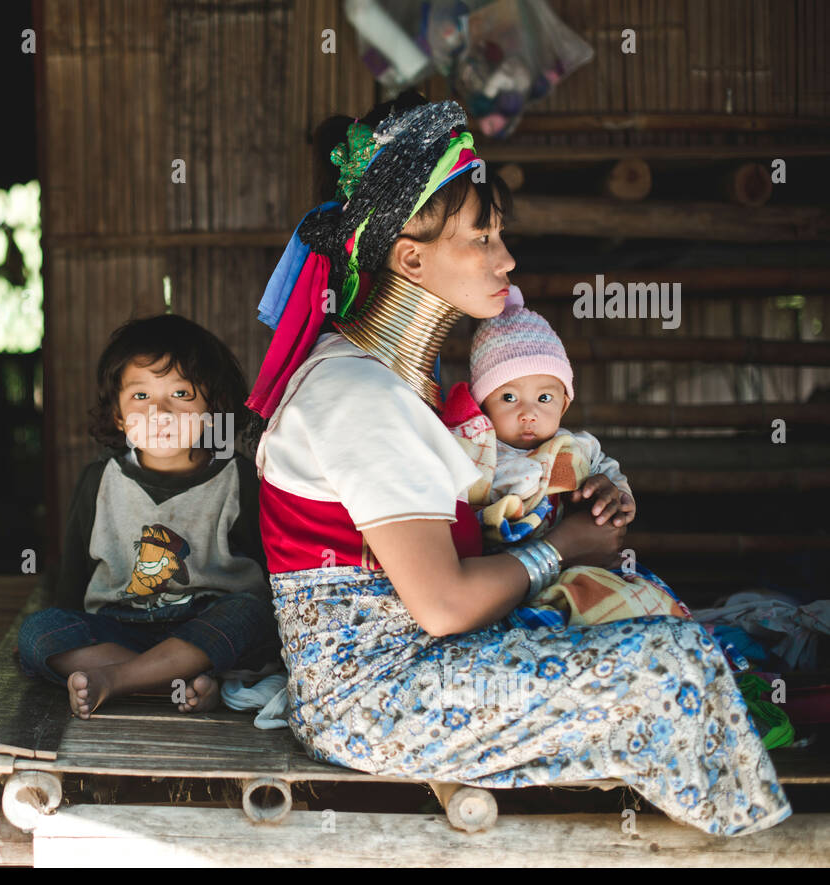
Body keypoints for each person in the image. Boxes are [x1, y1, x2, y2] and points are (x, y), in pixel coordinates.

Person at [245, 92, 789, 837]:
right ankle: (752, 863)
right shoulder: (359, 394)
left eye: (500, 234)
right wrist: (561, 545)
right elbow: (441, 606)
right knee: (671, 665)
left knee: (674, 631)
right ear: (410, 257)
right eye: (483, 237)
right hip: (378, 701)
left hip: (427, 667)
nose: (506, 259)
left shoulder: (396, 380)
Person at [18, 314, 280, 719]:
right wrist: (68, 623)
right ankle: (174, 685)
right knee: (38, 633)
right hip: (119, 627)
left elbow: (271, 573)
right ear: (120, 417)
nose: (160, 411)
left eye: (180, 393)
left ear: (213, 411)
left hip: (206, 625)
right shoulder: (98, 481)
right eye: (141, 397)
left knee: (254, 612)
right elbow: (73, 583)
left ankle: (119, 681)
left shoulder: (239, 478)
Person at [443, 287, 690, 626]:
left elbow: (609, 474)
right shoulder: (473, 450)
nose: (528, 413)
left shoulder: (577, 447)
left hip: (575, 568)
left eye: (544, 398)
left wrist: (615, 496)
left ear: (565, 403)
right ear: (483, 405)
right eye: (509, 397)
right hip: (501, 576)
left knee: (642, 605)